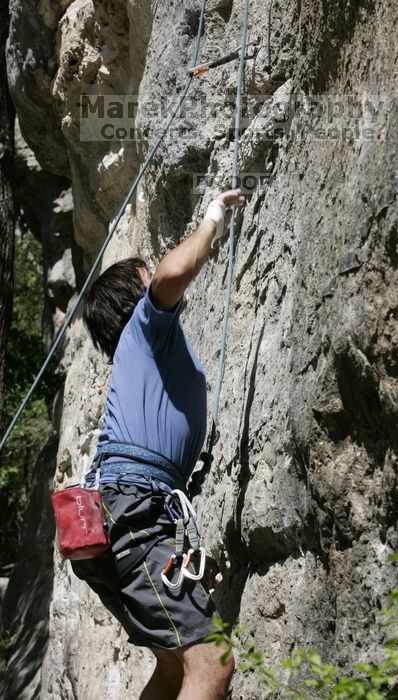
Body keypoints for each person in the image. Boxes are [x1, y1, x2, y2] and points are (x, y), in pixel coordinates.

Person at [71, 188, 245, 700]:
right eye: (144, 277)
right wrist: (212, 216)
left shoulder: (143, 353)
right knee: (212, 660)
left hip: (114, 518)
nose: (156, 279)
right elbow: (173, 273)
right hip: (135, 514)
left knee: (174, 668)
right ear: (135, 296)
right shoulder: (144, 328)